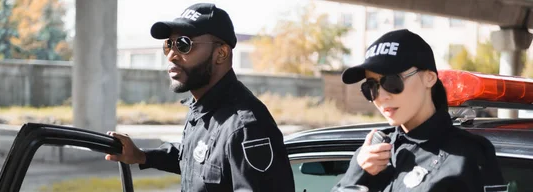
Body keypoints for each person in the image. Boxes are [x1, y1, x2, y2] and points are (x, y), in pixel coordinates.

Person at [105, 3, 295, 191]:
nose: (171, 55)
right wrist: (141, 155)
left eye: (184, 44)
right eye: (169, 44)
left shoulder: (246, 128)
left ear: (221, 54)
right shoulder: (203, 110)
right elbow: (198, 156)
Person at [331, 29, 505, 192]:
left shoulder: (467, 154)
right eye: (371, 87)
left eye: (392, 81)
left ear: (429, 78)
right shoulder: (371, 153)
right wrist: (357, 172)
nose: (381, 96)